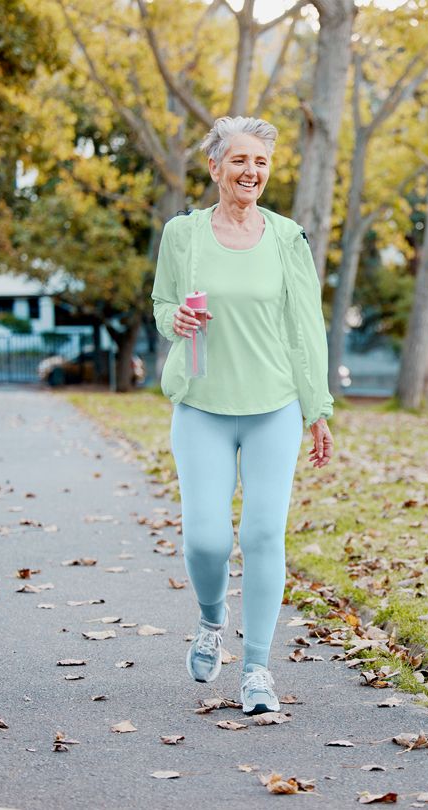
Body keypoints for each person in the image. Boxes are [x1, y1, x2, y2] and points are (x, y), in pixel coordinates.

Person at [150, 116, 335, 716]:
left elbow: (306, 329)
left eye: (259, 162)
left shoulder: (287, 239)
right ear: (215, 168)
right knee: (205, 539)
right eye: (238, 161)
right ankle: (210, 621)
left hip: (273, 407)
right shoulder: (183, 235)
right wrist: (173, 319)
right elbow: (161, 304)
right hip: (202, 401)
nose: (250, 172)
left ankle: (257, 669)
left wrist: (317, 409)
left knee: (261, 535)